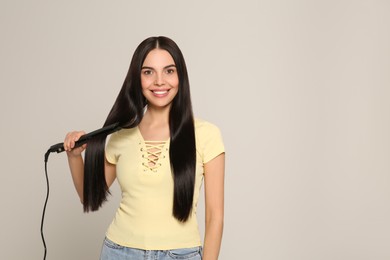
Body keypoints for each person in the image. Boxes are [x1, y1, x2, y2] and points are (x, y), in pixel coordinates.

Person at [63, 36, 225, 260]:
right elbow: (88, 196)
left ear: (181, 76)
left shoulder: (206, 134)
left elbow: (215, 217)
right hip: (119, 252)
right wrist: (73, 157)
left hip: (180, 255)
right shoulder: (121, 134)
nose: (159, 81)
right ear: (137, 78)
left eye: (169, 71)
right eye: (148, 72)